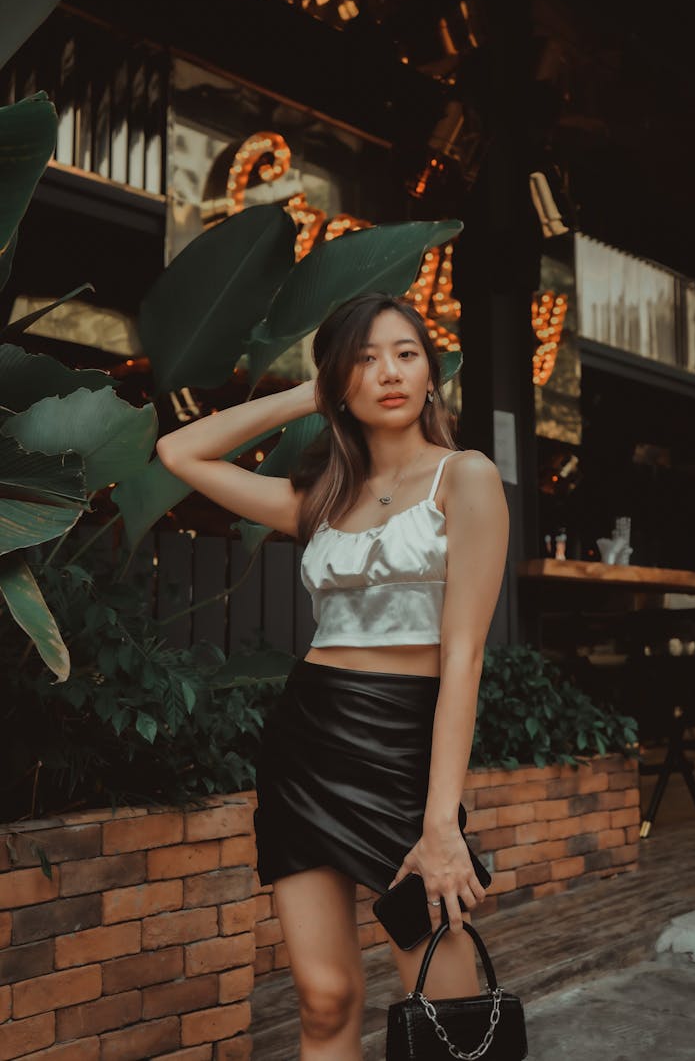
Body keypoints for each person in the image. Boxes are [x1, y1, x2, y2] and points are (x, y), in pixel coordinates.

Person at [156, 291, 509, 1059]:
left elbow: (465, 657)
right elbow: (180, 454)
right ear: (337, 384)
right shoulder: (318, 499)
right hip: (308, 744)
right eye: (365, 358)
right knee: (324, 1000)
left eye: (406, 354)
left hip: (406, 749)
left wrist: (441, 823)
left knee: (448, 1002)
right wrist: (305, 395)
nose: (389, 372)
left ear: (431, 372)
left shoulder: (466, 477)